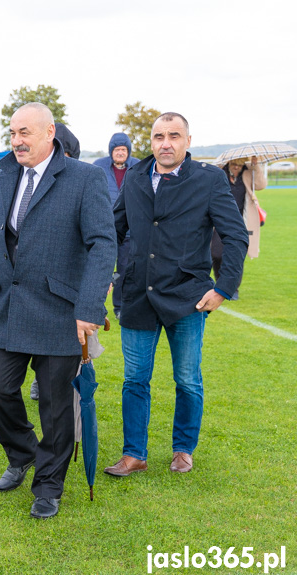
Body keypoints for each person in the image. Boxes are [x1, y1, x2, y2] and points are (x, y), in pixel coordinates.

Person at [0, 103, 116, 519]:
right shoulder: (4, 176)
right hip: (9, 309)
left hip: (61, 312)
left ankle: (49, 485)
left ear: (50, 133)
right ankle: (23, 453)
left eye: (24, 133)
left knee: (55, 406)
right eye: (12, 133)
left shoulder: (85, 178)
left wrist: (89, 307)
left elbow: (103, 244)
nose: (17, 141)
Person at [105, 113, 249, 477]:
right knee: (135, 379)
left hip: (188, 297)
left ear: (187, 140)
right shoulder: (136, 176)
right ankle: (133, 454)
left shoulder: (209, 179)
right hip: (138, 294)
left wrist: (223, 288)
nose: (165, 143)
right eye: (158, 136)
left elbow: (235, 236)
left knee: (187, 379)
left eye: (173, 135)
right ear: (150, 141)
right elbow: (113, 228)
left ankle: (183, 449)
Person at [28, 121, 84, 402]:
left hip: (72, 284)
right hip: (35, 281)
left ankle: (76, 397)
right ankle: (41, 379)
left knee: (76, 347)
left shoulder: (82, 183)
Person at [94, 133, 141, 319]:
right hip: (103, 228)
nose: (120, 153)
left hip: (128, 230)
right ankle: (95, 305)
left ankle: (120, 307)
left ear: (128, 151)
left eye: (124, 149)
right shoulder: (99, 166)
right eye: (117, 149)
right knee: (99, 268)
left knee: (124, 270)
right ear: (111, 151)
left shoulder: (138, 166)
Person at [211, 158, 266, 299]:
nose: (237, 168)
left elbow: (261, 185)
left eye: (240, 166)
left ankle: (233, 288)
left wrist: (255, 166)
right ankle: (220, 282)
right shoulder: (219, 173)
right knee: (216, 254)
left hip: (241, 221)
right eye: (234, 165)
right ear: (229, 163)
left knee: (237, 254)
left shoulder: (248, 173)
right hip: (219, 220)